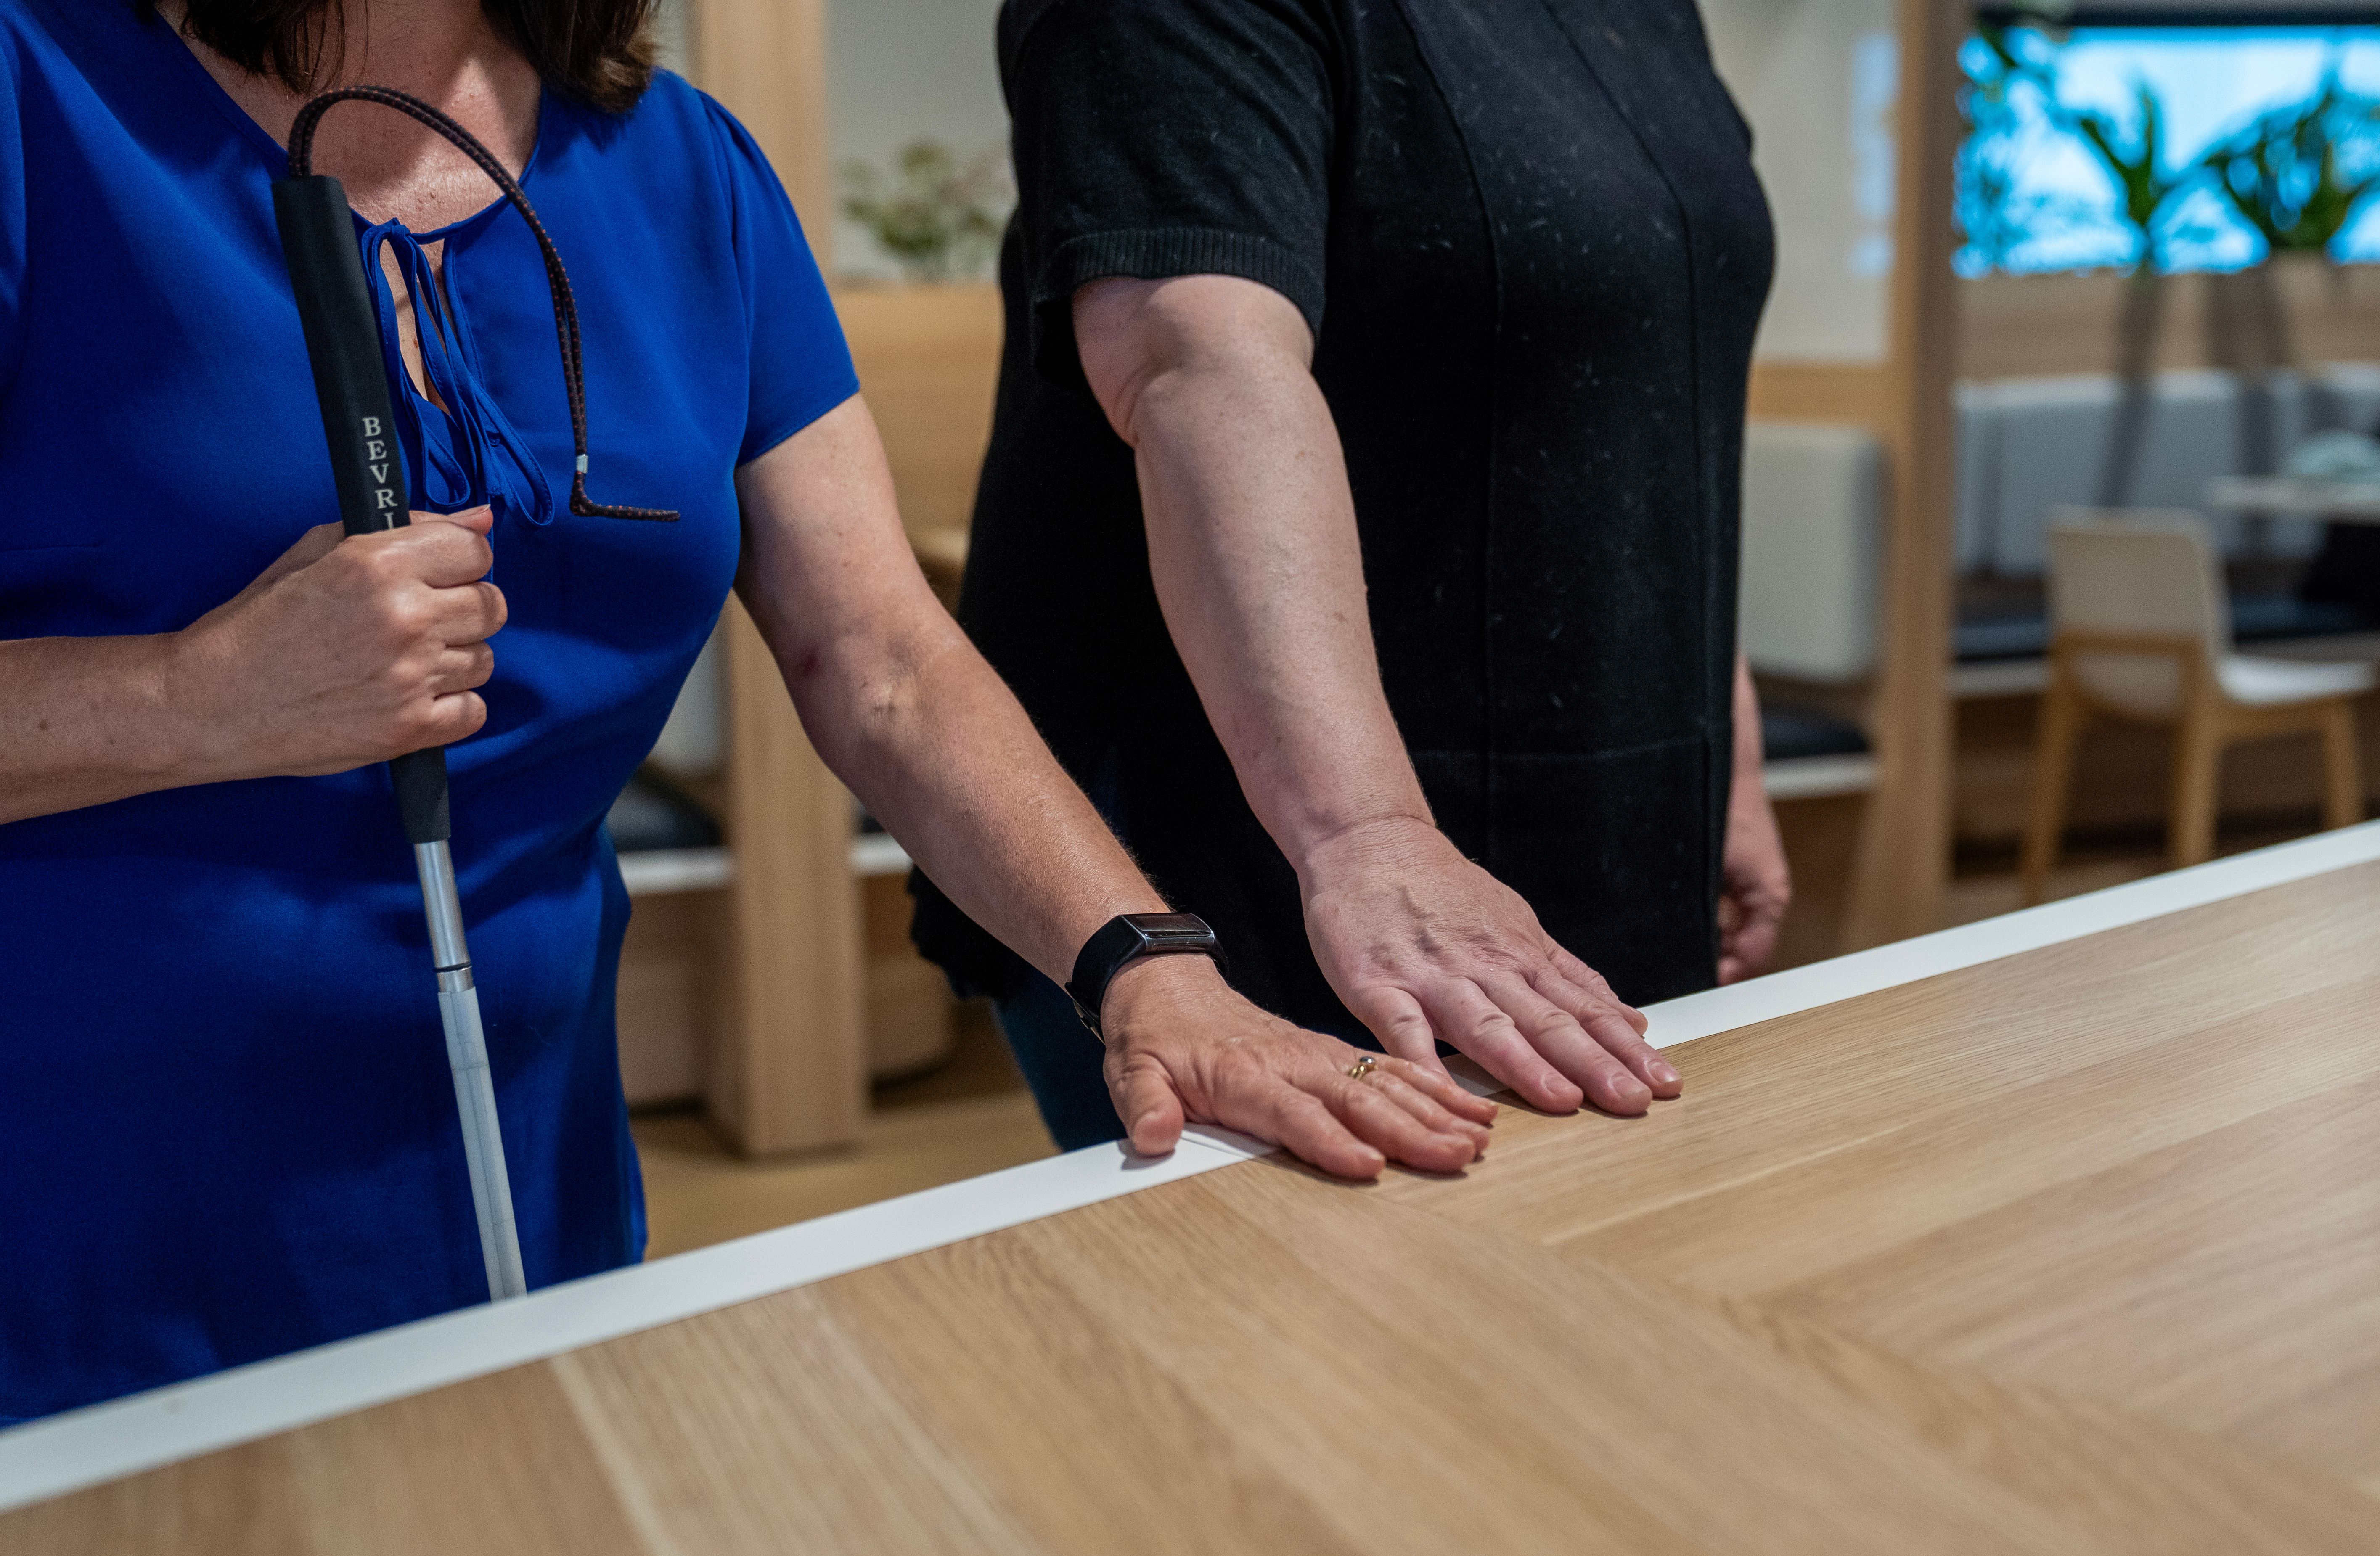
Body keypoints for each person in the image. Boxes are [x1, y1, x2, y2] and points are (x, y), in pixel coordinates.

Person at [0, 0, 1494, 1424]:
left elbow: (881, 654)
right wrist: (195, 698)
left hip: (521, 1177)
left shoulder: (683, 167)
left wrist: (1150, 969)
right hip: (73, 1218)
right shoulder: (35, 91)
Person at [912, 0, 1791, 1149]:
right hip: (1259, 832)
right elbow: (1198, 361)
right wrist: (1363, 835)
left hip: (1592, 805)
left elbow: (1640, 368)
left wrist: (1720, 730)